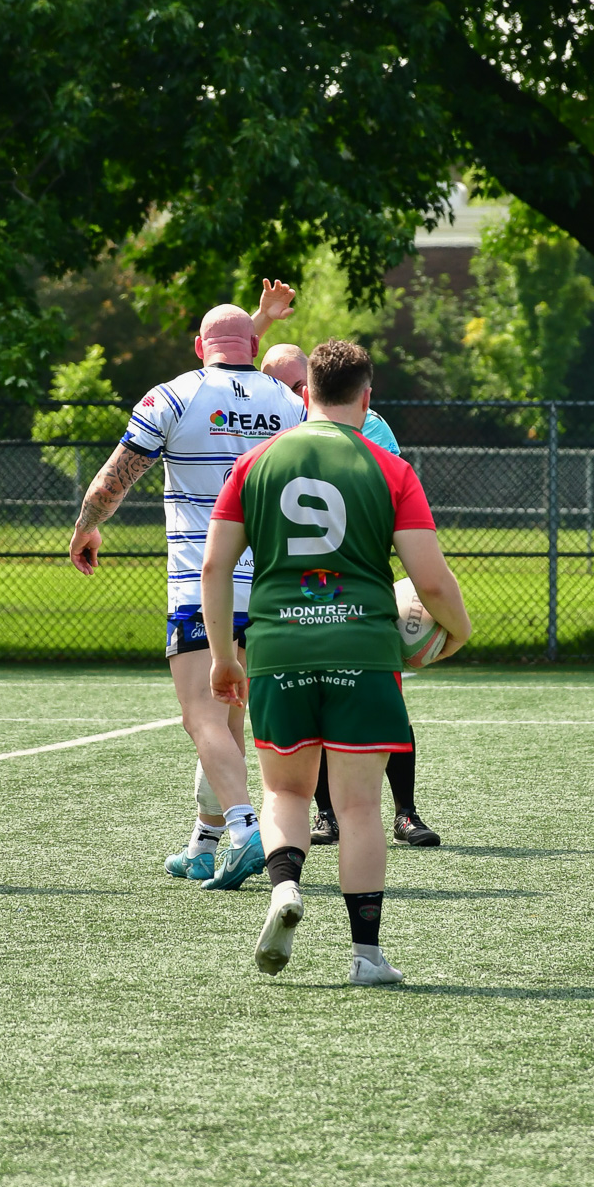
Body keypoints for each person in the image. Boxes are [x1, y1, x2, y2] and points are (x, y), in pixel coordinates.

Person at [202, 339, 472, 984]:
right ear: (367, 396)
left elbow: (214, 566)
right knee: (357, 808)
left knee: (284, 790)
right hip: (362, 647)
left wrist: (221, 658)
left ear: (304, 395)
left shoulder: (256, 462)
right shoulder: (390, 468)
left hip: (276, 646)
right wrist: (458, 633)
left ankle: (285, 888)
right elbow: (429, 580)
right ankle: (366, 956)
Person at [68, 290, 306, 890]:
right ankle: (202, 845)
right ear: (254, 347)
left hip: (205, 586)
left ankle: (246, 831)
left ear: (199, 348)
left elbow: (112, 480)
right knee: (227, 722)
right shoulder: (289, 401)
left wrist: (86, 528)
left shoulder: (174, 395)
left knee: (202, 718)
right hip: (276, 588)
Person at [259, 341, 441, 847]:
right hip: (296, 595)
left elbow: (391, 503)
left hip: (358, 592)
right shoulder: (272, 431)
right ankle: (327, 816)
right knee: (311, 716)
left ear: (310, 383)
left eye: (294, 383)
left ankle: (405, 812)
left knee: (389, 707)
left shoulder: (370, 427)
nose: (287, 393)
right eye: (278, 384)